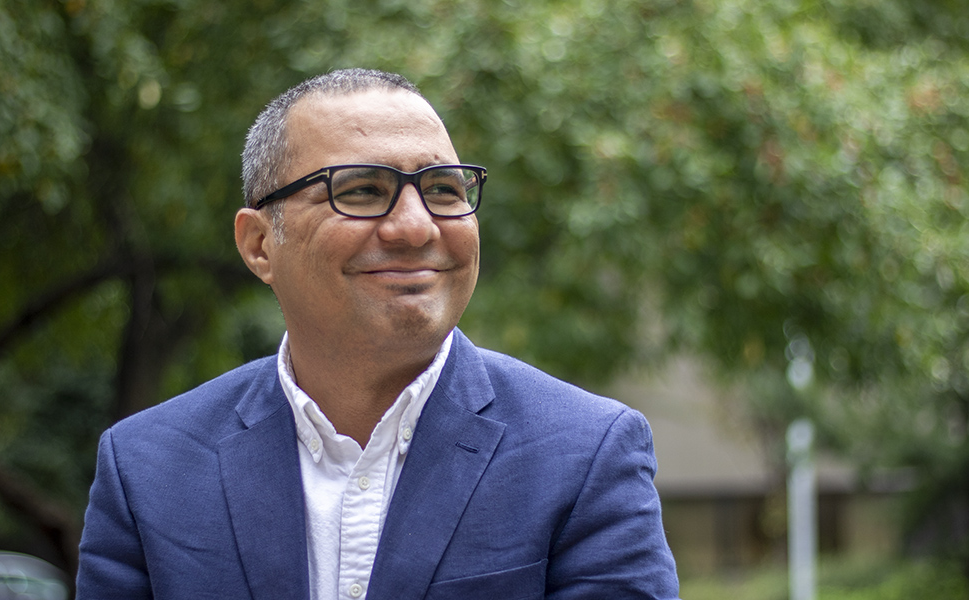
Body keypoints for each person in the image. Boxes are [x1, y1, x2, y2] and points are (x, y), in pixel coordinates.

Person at [76, 68, 680, 600]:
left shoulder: (586, 456)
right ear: (260, 245)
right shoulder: (147, 470)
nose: (416, 227)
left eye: (444, 189)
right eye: (362, 190)